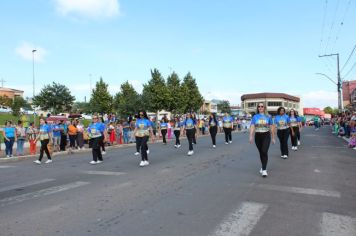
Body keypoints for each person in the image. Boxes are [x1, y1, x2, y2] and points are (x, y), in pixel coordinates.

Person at [249, 103, 275, 177]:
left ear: (264, 108)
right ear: (257, 108)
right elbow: (252, 126)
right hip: (258, 136)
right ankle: (263, 166)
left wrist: (273, 137)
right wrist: (251, 136)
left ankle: (264, 170)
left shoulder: (268, 116)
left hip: (266, 135)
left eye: (262, 106)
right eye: (259, 106)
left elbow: (272, 128)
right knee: (261, 152)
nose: (260, 107)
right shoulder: (255, 117)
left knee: (264, 151)